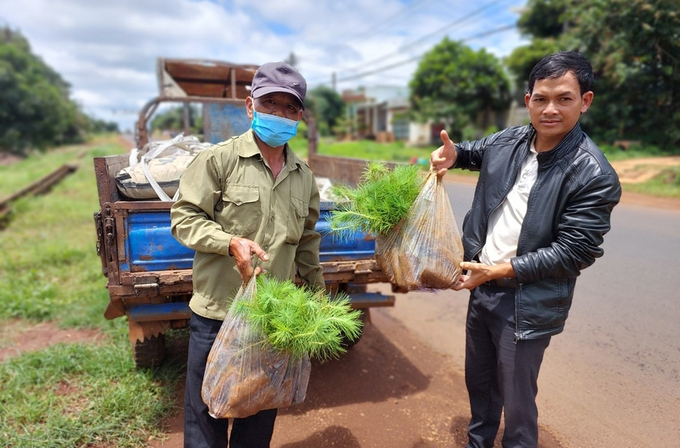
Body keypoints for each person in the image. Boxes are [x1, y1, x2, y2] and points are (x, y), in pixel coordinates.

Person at [430, 51, 621, 448]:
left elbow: (575, 251)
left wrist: (499, 270)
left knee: (517, 406)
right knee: (480, 386)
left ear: (585, 101)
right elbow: (472, 152)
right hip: (482, 288)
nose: (550, 109)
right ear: (528, 100)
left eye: (563, 98)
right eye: (541, 98)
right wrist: (454, 154)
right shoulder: (509, 140)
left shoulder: (594, 174)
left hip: (526, 302)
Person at [171, 62, 325, 448]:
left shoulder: (303, 176)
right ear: (250, 107)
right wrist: (229, 242)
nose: (280, 113)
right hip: (218, 314)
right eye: (270, 103)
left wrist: (319, 295)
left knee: (257, 414)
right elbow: (183, 218)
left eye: (290, 107)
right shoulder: (218, 160)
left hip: (273, 317)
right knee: (207, 414)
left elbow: (306, 239)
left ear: (299, 116)